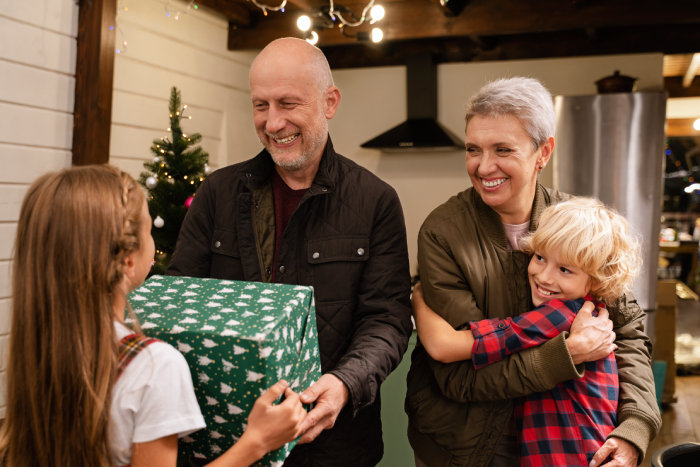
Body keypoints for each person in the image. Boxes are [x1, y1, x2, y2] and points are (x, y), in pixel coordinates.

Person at [167, 37, 412, 467]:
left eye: (287, 103)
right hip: (228, 442)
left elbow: (387, 320)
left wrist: (344, 384)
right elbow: (180, 304)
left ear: (329, 102)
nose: (273, 122)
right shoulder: (216, 194)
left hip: (335, 448)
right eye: (260, 105)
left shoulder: (376, 201)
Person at [405, 77, 660, 467]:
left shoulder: (578, 226)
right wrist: (564, 356)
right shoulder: (444, 233)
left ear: (543, 152)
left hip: (568, 444)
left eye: (503, 149)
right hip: (463, 448)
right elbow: (458, 376)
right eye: (473, 149)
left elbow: (627, 333)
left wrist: (634, 430)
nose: (483, 166)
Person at [0, 165, 306, 467]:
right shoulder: (153, 367)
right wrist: (257, 442)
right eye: (148, 231)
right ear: (129, 262)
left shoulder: (32, 349)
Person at [413, 197, 642, 467]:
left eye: (565, 269)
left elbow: (444, 347)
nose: (544, 276)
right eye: (540, 257)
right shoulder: (589, 314)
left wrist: (418, 297)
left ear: (597, 279)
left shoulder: (561, 316)